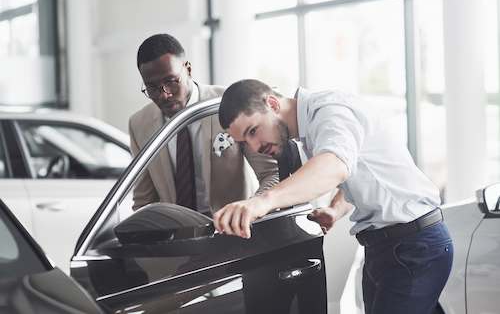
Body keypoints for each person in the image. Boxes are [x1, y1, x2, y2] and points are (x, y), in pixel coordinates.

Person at [213, 79, 453, 314]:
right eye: (246, 141)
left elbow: (335, 166)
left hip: (413, 246)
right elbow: (359, 170)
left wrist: (262, 202)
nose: (255, 147)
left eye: (253, 131)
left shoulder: (329, 112)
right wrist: (336, 210)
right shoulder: (313, 126)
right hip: (387, 247)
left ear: (272, 104)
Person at [129, 35, 278, 214]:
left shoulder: (231, 104)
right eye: (152, 88)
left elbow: (271, 174)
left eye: (170, 81)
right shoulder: (139, 124)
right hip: (178, 237)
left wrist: (249, 211)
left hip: (238, 233)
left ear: (188, 70)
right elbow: (145, 202)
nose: (164, 95)